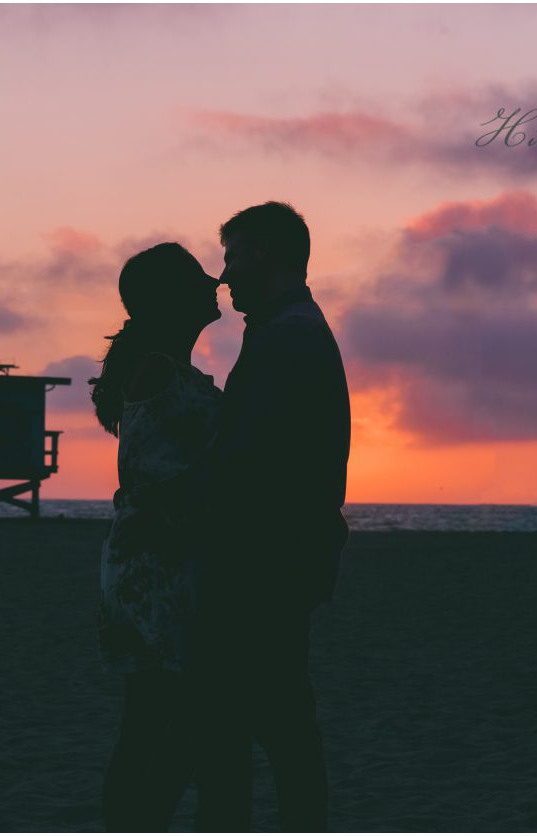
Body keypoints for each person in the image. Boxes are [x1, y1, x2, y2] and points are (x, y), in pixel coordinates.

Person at [191, 200, 352, 831]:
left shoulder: (289, 335)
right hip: (284, 558)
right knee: (281, 718)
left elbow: (249, 458)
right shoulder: (290, 328)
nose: (224, 276)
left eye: (231, 258)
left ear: (263, 255)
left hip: (263, 563)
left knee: (256, 722)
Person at [91, 242, 222, 831]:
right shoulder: (159, 372)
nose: (213, 284)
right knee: (171, 722)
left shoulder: (168, 369)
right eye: (198, 279)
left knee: (152, 719)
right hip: (154, 565)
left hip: (156, 559)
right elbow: (147, 475)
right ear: (173, 298)